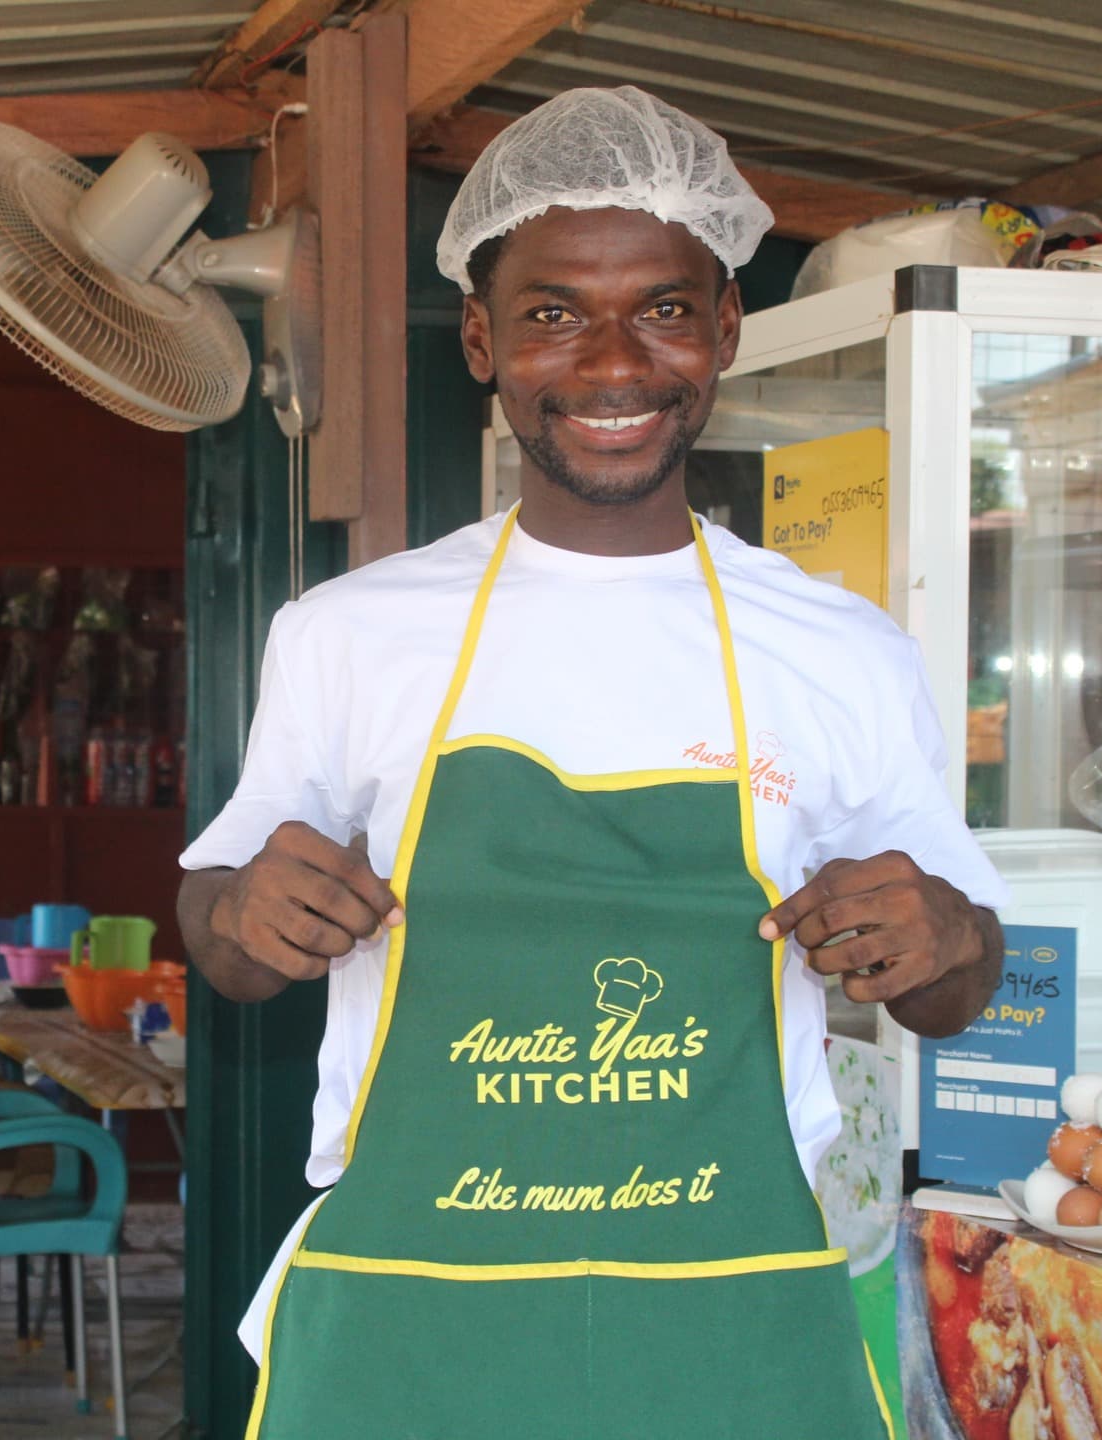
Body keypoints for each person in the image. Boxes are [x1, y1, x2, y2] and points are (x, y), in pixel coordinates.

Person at [178, 85, 1007, 1439]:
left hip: (733, 1320)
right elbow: (222, 925)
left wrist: (942, 936)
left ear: (725, 329)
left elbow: (961, 986)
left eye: (664, 309)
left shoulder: (842, 650)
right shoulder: (346, 636)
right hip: (413, 1319)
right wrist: (244, 914)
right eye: (555, 311)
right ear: (484, 340)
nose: (614, 361)